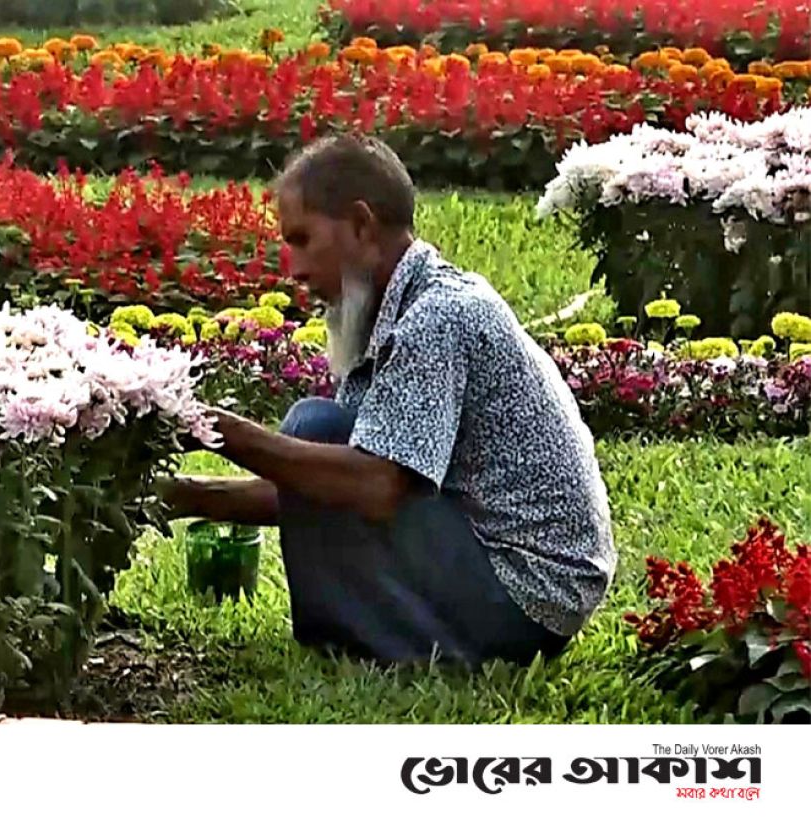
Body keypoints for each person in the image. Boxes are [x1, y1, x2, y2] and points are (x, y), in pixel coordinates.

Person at [159, 134, 616, 667]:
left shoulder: (438, 314)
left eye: (303, 239)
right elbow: (316, 491)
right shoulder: (391, 310)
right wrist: (182, 496)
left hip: (526, 599)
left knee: (314, 427)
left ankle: (401, 648)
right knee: (322, 433)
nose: (295, 270)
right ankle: (390, 636)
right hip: (507, 581)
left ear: (360, 224)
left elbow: (374, 486)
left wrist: (210, 425)